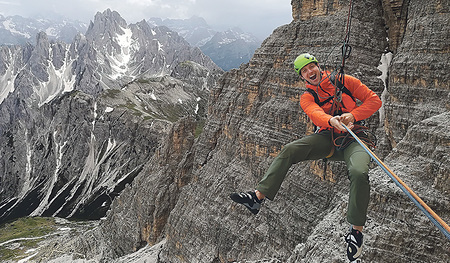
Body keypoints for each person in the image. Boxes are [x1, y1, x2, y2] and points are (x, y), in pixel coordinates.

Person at [230, 53, 382, 262]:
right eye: (304, 71)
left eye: (311, 67)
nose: (310, 72)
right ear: (302, 77)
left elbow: (374, 101)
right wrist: (331, 120)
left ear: (319, 67)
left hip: (355, 139)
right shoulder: (307, 97)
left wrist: (353, 115)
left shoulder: (345, 81)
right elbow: (314, 113)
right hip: (328, 137)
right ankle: (257, 198)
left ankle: (356, 232)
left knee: (358, 171)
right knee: (290, 150)